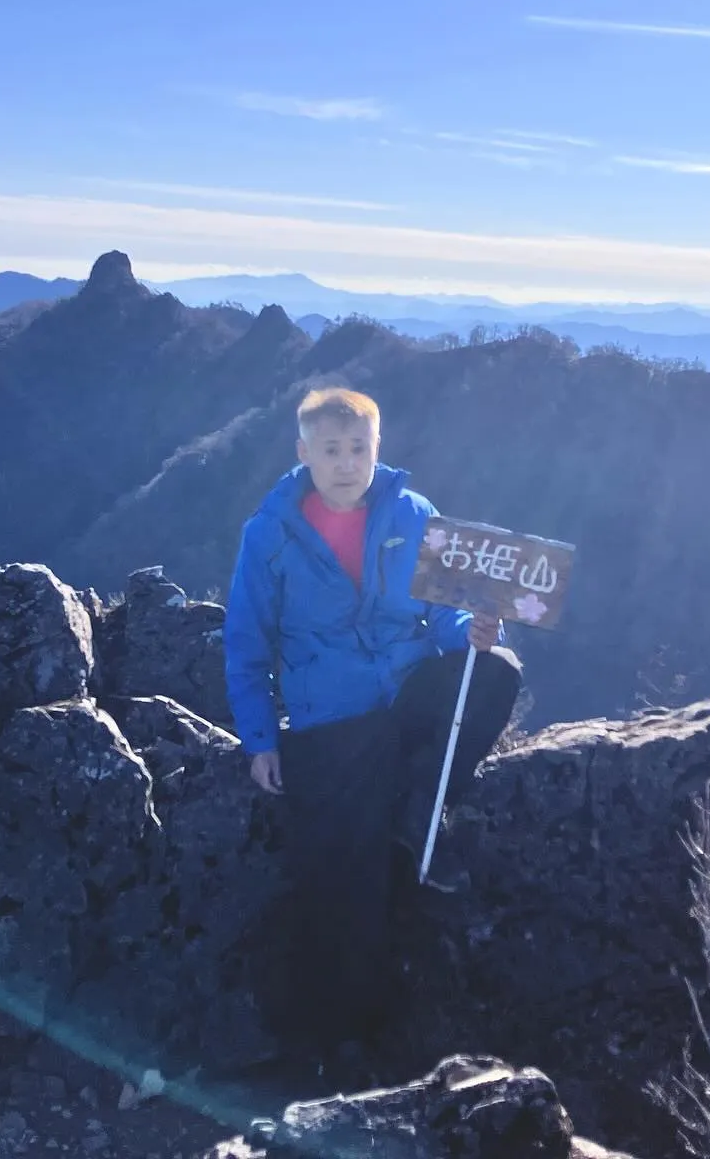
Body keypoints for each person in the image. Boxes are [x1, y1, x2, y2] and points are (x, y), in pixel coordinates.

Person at [223, 386, 522, 1056]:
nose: (347, 463)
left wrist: (468, 633)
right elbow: (246, 643)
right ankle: (342, 1037)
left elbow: (444, 611)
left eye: (359, 448)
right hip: (334, 718)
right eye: (331, 449)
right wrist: (261, 739)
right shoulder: (269, 535)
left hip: (407, 693)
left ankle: (420, 808)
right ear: (304, 453)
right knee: (347, 882)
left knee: (498, 669)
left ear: (376, 449)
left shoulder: (413, 514)